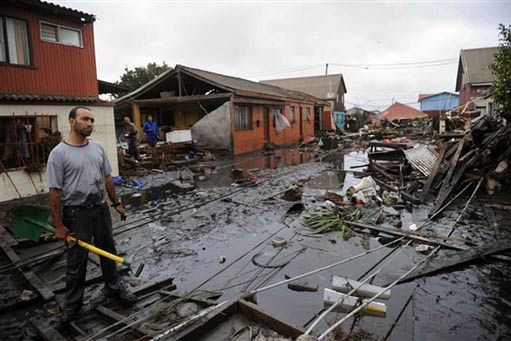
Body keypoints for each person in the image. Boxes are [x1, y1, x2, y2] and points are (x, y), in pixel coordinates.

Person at [47, 107, 136, 324]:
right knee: (77, 260)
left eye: (92, 120)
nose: (89, 123)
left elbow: (107, 178)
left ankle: (114, 287)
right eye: (85, 119)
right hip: (76, 213)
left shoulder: (97, 147)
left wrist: (116, 203)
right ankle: (72, 305)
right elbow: (55, 193)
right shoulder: (59, 154)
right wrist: (59, 225)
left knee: (108, 250)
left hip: (100, 208)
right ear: (71, 121)